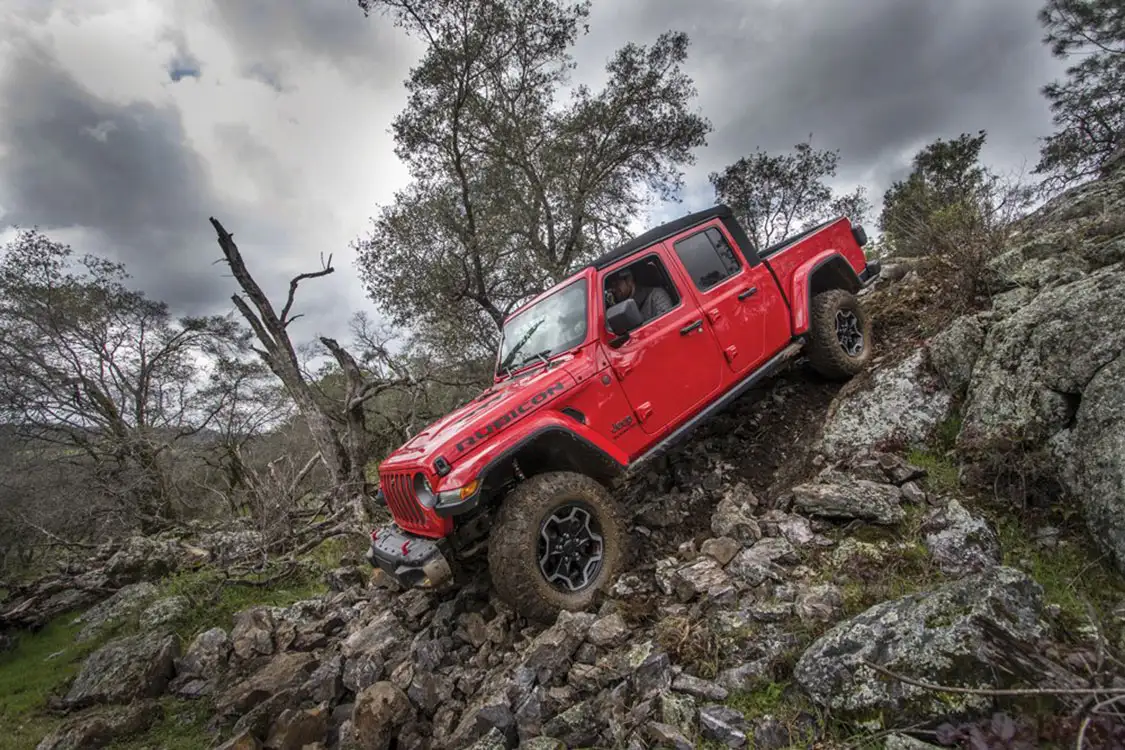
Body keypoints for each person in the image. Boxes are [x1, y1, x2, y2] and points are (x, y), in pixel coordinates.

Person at [608, 267, 674, 323]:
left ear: (629, 280)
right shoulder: (618, 309)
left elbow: (668, 324)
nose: (613, 290)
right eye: (611, 287)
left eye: (616, 284)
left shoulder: (656, 296)